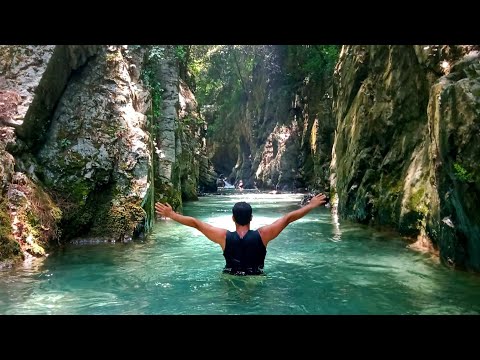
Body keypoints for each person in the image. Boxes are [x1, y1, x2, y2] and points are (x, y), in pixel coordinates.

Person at [154, 193, 327, 276]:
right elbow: (288, 218)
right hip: (256, 278)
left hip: (230, 277)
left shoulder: (223, 237)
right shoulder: (263, 235)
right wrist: (311, 205)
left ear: (232, 218)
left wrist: (172, 215)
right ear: (251, 217)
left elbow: (196, 224)